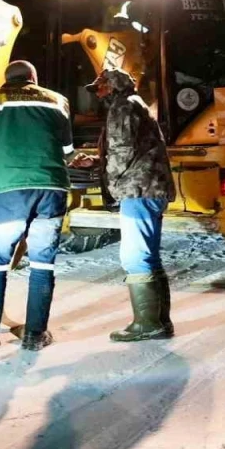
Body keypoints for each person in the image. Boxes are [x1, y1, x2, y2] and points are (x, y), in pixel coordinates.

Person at [0, 60, 75, 351]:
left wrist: (2, 168)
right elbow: (67, 151)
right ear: (33, 79)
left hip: (10, 191)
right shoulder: (58, 101)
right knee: (42, 263)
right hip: (52, 190)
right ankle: (36, 334)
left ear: (7, 78)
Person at [77, 68, 176, 341]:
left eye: (101, 87)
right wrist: (97, 161)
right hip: (149, 187)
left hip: (138, 189)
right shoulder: (136, 105)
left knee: (134, 256)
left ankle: (148, 324)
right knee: (149, 257)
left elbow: (122, 153)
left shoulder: (123, 108)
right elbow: (132, 149)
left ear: (114, 86)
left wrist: (108, 180)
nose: (98, 93)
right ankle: (159, 321)